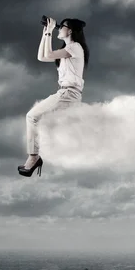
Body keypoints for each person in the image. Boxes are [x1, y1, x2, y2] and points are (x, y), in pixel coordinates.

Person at [18, 16, 90, 177]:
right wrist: (46, 33)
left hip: (68, 94)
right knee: (48, 125)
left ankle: (34, 157)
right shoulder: (69, 49)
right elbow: (42, 57)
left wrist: (50, 31)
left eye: (61, 26)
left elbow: (49, 54)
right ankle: (37, 156)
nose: (59, 28)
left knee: (32, 117)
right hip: (65, 93)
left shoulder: (75, 47)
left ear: (70, 30)